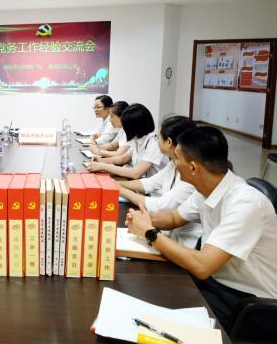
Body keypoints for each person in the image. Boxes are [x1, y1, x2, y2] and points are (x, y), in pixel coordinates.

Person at [127, 126, 277, 331]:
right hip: (217, 284)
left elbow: (202, 265)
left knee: (156, 311)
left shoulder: (246, 203)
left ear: (193, 168)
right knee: (150, 291)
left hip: (249, 304)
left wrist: (149, 232)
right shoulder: (208, 188)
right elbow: (174, 217)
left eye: (176, 158)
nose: (173, 163)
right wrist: (143, 219)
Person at [118, 116, 199, 247]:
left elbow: (161, 206)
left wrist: (120, 190)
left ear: (169, 142)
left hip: (186, 243)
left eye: (158, 137)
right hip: (168, 233)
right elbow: (149, 183)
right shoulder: (173, 164)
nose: (156, 140)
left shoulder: (191, 174)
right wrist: (118, 184)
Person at [86, 103, 167, 179]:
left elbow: (135, 173)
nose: (124, 128)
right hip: (141, 182)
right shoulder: (137, 139)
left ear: (133, 126)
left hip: (152, 187)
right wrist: (101, 161)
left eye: (125, 125)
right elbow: (123, 158)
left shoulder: (153, 143)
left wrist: (103, 166)